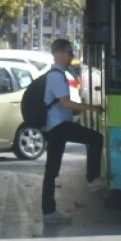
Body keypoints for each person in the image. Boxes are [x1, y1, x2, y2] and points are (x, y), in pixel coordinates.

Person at [41, 39, 103, 224]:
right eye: (69, 53)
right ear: (58, 54)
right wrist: (91, 108)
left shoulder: (59, 74)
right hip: (57, 126)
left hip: (57, 125)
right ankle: (92, 179)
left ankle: (49, 211)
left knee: (52, 170)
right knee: (95, 138)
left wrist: (76, 110)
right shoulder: (56, 75)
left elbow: (63, 104)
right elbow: (64, 102)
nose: (71, 56)